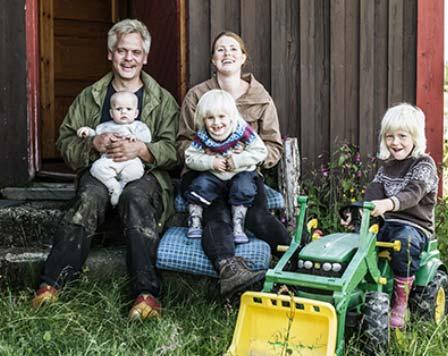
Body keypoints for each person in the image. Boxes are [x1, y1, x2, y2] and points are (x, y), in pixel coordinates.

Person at [32, 19, 179, 321]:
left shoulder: (161, 100)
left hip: (144, 176)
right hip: (101, 172)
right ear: (110, 53)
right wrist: (93, 144)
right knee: (88, 197)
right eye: (121, 50)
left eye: (135, 52)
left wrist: (142, 150)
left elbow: (175, 149)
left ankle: (146, 295)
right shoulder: (91, 97)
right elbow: (65, 141)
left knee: (136, 199)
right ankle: (52, 285)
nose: (128, 58)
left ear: (145, 57)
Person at [177, 31, 291, 297]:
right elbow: (183, 144)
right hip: (204, 173)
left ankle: (298, 260)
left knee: (257, 216)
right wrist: (211, 161)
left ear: (243, 57)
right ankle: (230, 270)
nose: (227, 53)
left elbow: (272, 146)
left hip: (244, 174)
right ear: (213, 59)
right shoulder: (197, 96)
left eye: (233, 49)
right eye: (220, 50)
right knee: (216, 216)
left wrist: (242, 160)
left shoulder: (261, 98)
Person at [343, 103, 439, 329]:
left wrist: (388, 203)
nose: (395, 142)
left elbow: (412, 194)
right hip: (387, 222)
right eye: (389, 136)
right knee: (358, 239)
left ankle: (401, 301)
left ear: (415, 136)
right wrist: (356, 212)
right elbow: (373, 194)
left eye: (402, 136)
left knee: (404, 241)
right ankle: (355, 287)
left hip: (415, 227)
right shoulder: (386, 167)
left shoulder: (424, 165)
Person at [184, 89, 268, 243]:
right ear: (203, 119)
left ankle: (238, 224)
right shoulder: (203, 135)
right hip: (215, 173)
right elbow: (190, 157)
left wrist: (237, 160)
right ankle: (195, 221)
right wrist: (211, 162)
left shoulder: (242, 131)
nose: (216, 123)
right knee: (199, 186)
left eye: (221, 116)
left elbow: (260, 151)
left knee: (243, 187)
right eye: (210, 118)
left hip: (239, 171)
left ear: (231, 117)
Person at [77, 91, 152, 206]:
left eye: (128, 109)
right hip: (109, 159)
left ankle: (123, 184)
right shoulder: (105, 126)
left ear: (136, 113)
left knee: (137, 170)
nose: (123, 112)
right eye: (118, 109)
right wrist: (87, 132)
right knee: (96, 168)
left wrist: (136, 137)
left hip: (130, 160)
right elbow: (96, 135)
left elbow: (147, 138)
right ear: (111, 113)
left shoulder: (138, 126)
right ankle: (114, 186)